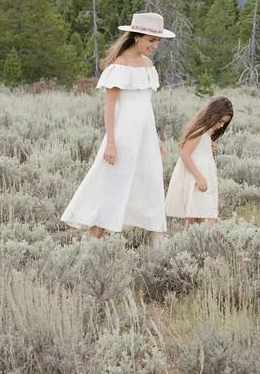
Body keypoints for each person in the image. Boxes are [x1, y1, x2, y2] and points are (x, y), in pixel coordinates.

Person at [62, 12, 176, 244]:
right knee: (113, 183)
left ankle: (159, 242)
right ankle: (94, 240)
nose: (155, 46)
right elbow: (110, 108)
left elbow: (146, 107)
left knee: (151, 181)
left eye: (157, 41)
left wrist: (154, 137)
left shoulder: (148, 65)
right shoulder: (119, 66)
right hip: (124, 136)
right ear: (136, 37)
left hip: (145, 135)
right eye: (151, 40)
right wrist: (111, 143)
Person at [164, 96, 234, 229]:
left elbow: (199, 151)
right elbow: (185, 154)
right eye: (220, 121)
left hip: (204, 176)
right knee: (203, 214)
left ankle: (192, 243)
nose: (221, 125)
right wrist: (198, 176)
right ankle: (198, 242)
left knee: (198, 214)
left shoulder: (206, 133)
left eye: (224, 123)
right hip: (198, 177)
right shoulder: (200, 131)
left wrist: (209, 147)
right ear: (213, 114)